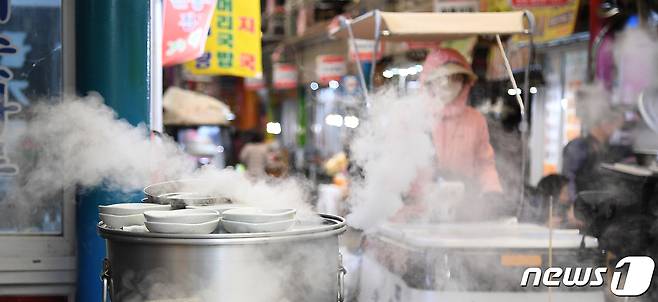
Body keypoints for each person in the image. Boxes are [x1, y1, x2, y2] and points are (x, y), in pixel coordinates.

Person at [392, 48, 503, 221]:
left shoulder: (475, 119)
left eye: (456, 78)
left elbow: (484, 163)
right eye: (442, 78)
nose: (448, 85)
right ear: (429, 82)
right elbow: (394, 162)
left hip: (462, 207)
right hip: (415, 210)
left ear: (465, 83)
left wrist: (492, 191)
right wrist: (406, 194)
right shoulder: (410, 116)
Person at [562, 107, 625, 202]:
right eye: (616, 126)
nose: (615, 131)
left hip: (596, 204)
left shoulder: (605, 148)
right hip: (580, 205)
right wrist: (574, 203)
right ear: (605, 124)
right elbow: (568, 177)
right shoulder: (579, 146)